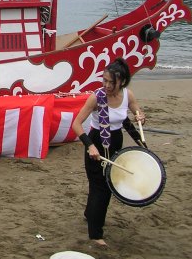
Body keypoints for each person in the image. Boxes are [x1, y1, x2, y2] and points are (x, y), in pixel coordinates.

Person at [72, 57, 146, 246]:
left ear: (121, 81)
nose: (106, 85)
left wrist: (140, 116)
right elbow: (77, 124)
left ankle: (90, 215)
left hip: (115, 144)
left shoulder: (127, 95)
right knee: (101, 188)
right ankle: (96, 234)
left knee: (104, 185)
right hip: (96, 142)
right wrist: (90, 145)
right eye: (104, 80)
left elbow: (132, 114)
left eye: (110, 82)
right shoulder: (96, 97)